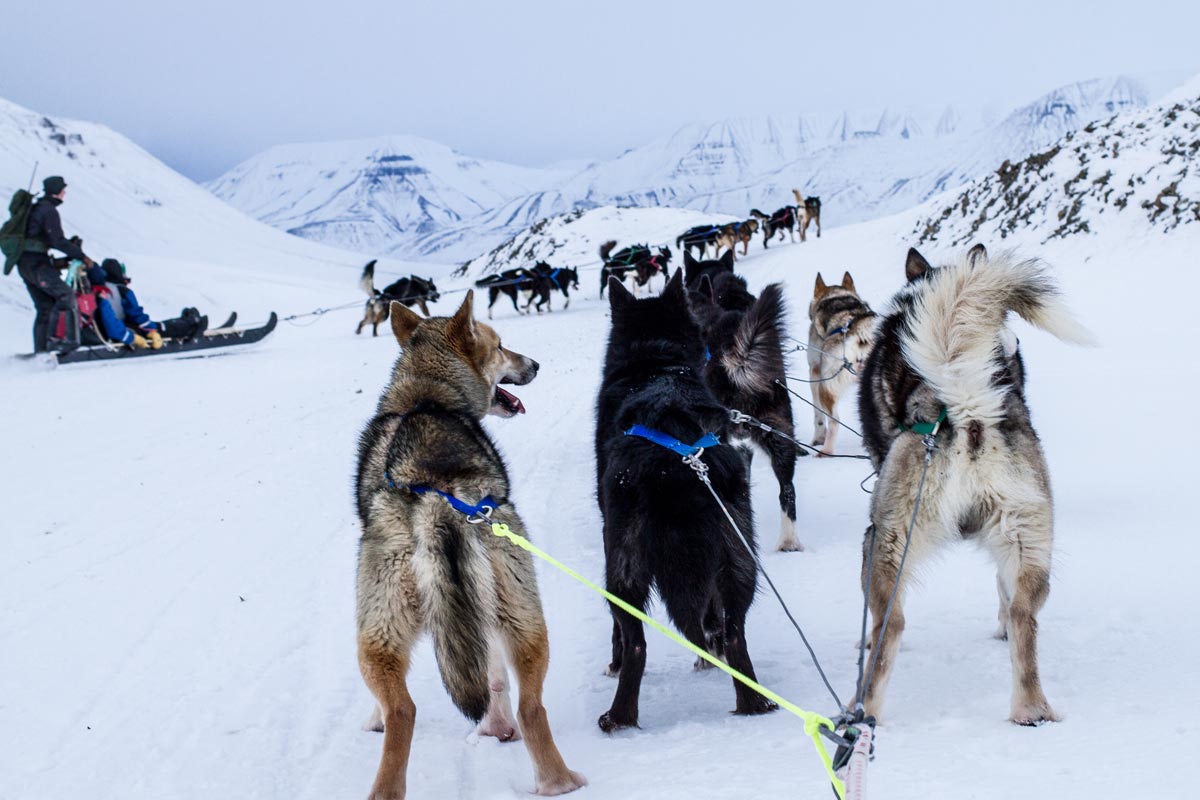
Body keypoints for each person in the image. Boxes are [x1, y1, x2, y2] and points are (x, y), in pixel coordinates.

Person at [16, 176, 94, 352]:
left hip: (25, 265)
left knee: (45, 307)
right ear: (57, 191)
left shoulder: (35, 208)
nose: (64, 193)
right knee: (66, 295)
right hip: (37, 265)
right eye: (63, 189)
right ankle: (63, 342)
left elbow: (43, 240)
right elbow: (57, 240)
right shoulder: (48, 210)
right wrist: (82, 256)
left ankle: (41, 350)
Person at [83, 261, 209, 347]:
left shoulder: (93, 292)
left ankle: (187, 321)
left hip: (118, 329)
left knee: (156, 326)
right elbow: (137, 315)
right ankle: (192, 323)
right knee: (160, 328)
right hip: (127, 331)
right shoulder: (118, 291)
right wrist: (150, 331)